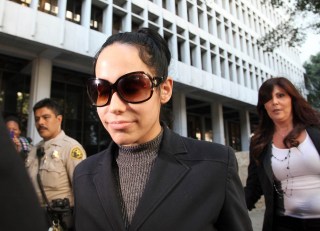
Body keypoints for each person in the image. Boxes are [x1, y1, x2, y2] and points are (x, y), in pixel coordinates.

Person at [73, 27, 252, 231]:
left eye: (132, 86)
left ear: (165, 90)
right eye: (101, 90)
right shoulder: (83, 175)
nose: (114, 107)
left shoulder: (216, 165)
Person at [244, 77, 320, 231]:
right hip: (283, 224)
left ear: (292, 99)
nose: (274, 102)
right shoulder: (259, 142)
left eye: (280, 95)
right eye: (268, 98)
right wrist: (220, 213)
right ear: (264, 106)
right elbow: (254, 187)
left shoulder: (316, 129)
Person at [25, 98, 86, 230]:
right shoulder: (33, 150)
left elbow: (83, 191)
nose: (40, 122)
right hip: (33, 217)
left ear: (59, 119)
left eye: (46, 117)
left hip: (59, 220)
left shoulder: (71, 148)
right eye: (37, 119)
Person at [0, 115, 47, 231]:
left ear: (20, 131)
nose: (11, 131)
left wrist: (19, 151)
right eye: (8, 129)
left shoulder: (27, 146)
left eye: (14, 129)